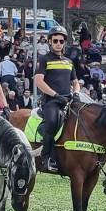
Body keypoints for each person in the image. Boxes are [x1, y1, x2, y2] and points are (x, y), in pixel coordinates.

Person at [32, 26, 80, 173]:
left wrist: (76, 93)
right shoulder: (44, 59)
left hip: (69, 100)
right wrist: (55, 95)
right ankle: (46, 158)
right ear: (50, 42)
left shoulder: (69, 61)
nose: (58, 43)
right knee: (52, 122)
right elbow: (38, 81)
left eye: (61, 41)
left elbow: (75, 81)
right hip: (51, 101)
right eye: (55, 41)